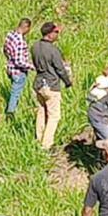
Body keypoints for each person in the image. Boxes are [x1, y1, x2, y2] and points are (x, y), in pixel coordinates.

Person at [32, 22, 74, 151]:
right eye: (56, 32)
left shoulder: (34, 47)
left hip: (39, 83)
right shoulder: (53, 50)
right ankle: (47, 145)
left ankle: (38, 139)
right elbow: (60, 69)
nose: (57, 34)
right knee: (54, 115)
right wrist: (68, 82)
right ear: (50, 34)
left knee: (41, 112)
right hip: (51, 85)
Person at [3, 18, 36, 115]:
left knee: (14, 91)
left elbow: (5, 50)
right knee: (15, 94)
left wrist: (10, 59)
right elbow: (19, 61)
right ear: (26, 27)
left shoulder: (10, 35)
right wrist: (32, 66)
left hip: (10, 68)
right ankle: (10, 113)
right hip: (18, 72)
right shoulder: (20, 40)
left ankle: (11, 109)